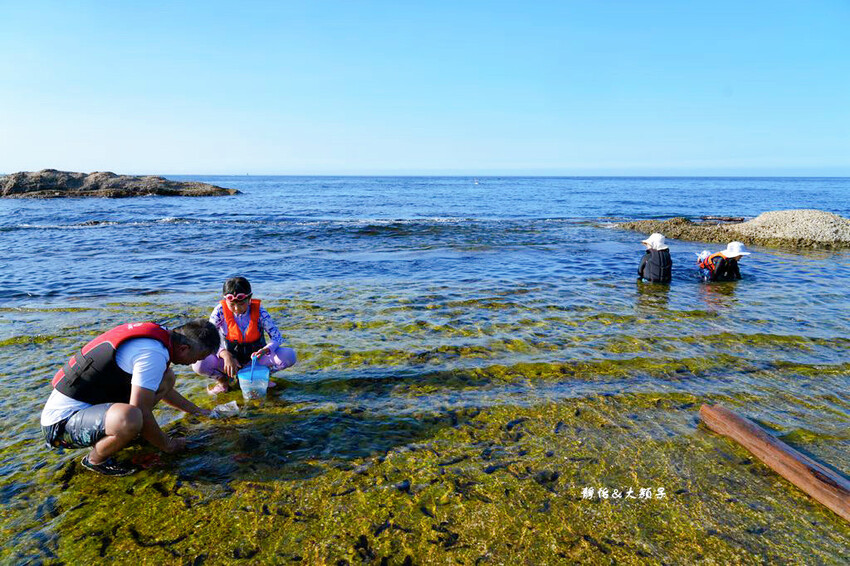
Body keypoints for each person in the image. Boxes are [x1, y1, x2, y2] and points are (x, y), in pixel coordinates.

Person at [40, 319, 220, 476]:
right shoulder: (153, 354)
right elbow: (140, 409)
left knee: (167, 378)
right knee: (131, 417)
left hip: (89, 409)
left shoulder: (161, 338)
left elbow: (162, 389)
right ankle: (94, 460)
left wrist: (197, 411)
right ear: (184, 348)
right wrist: (168, 445)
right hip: (60, 426)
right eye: (199, 357)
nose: (196, 363)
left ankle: (126, 434)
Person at [193, 277, 296, 394]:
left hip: (256, 360)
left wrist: (265, 350)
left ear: (249, 299)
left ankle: (262, 377)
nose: (237, 309)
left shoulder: (260, 312)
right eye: (232, 305)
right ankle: (223, 381)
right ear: (225, 300)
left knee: (289, 355)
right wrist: (225, 355)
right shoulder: (220, 311)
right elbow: (207, 338)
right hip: (230, 362)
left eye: (241, 304)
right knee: (199, 364)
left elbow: (277, 337)